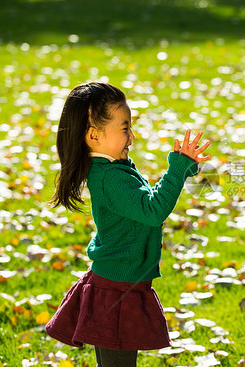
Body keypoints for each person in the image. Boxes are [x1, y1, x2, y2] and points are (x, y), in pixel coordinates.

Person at [45, 82, 210, 367]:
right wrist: (177, 168)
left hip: (122, 282)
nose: (131, 136)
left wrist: (184, 168)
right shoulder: (110, 177)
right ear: (94, 135)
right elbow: (153, 210)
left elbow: (146, 200)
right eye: (124, 128)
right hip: (116, 290)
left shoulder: (115, 167)